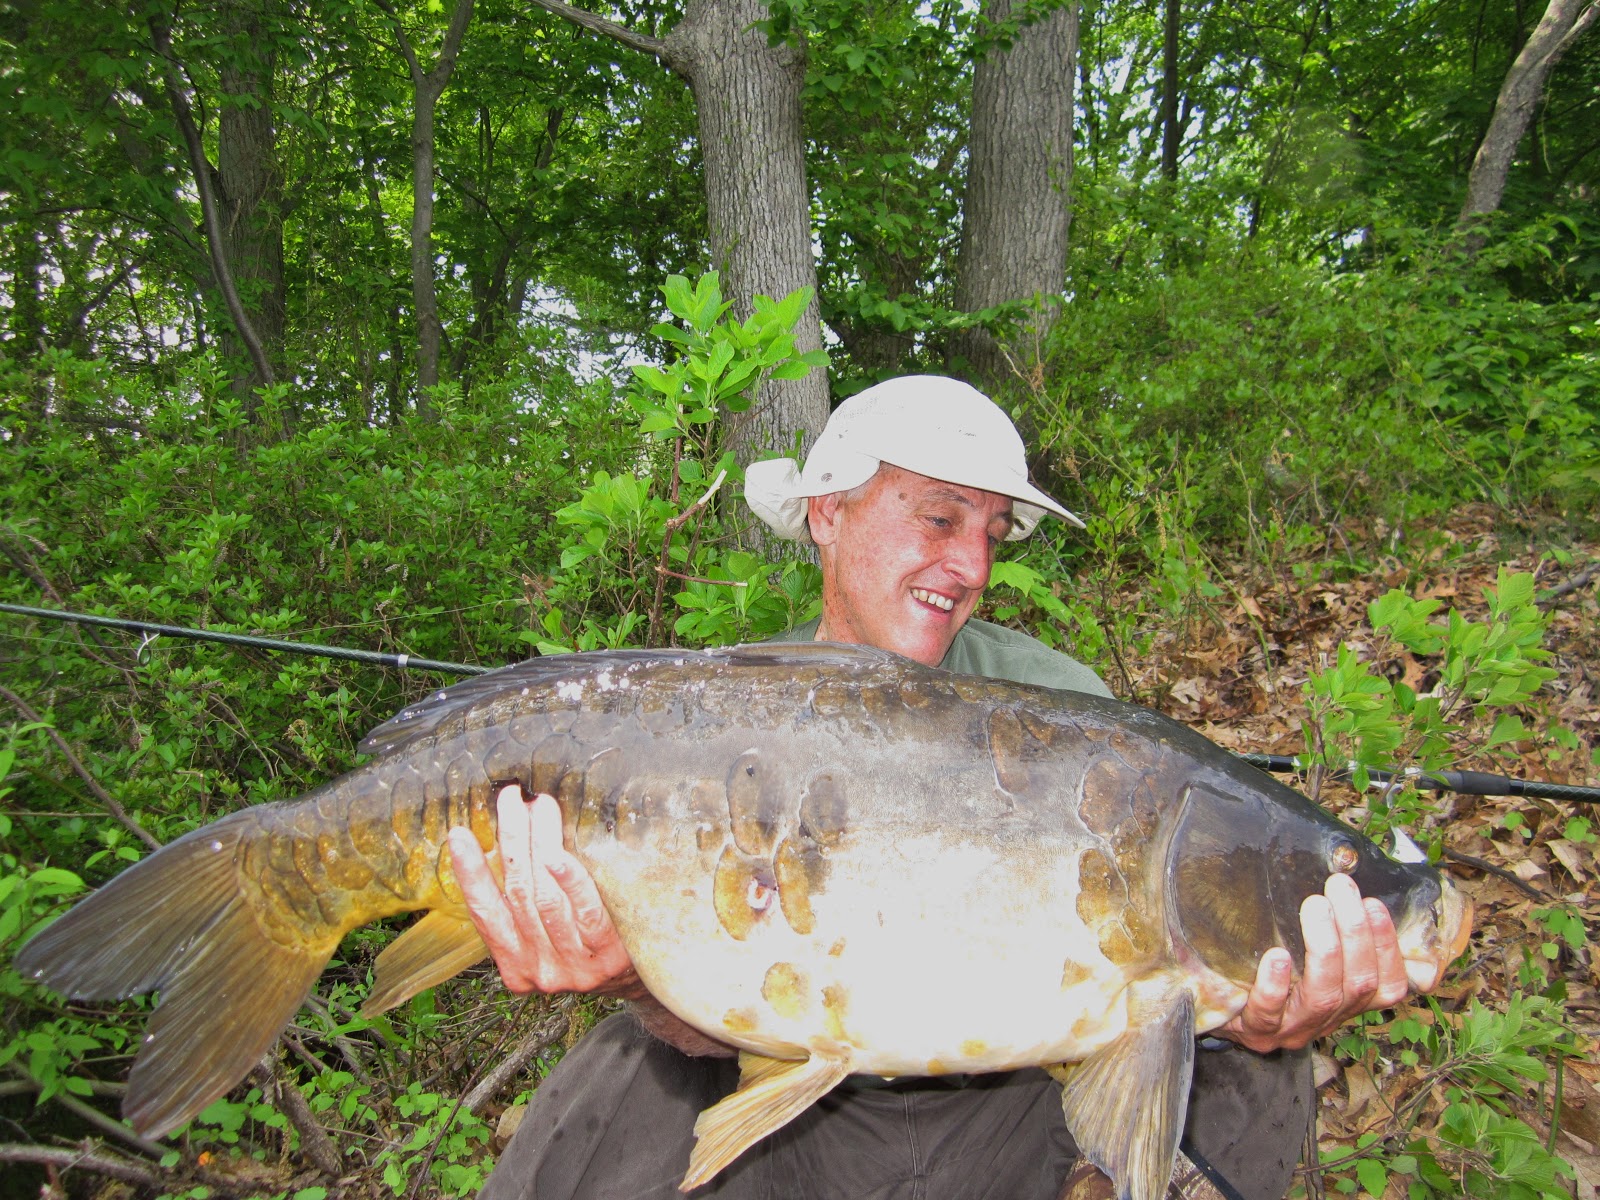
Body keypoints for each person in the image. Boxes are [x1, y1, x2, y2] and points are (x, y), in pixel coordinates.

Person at [448, 376, 1427, 1200]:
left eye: (993, 532)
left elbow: (1151, 991)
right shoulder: (716, 715)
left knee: (1259, 1063)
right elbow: (694, 1008)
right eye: (939, 518)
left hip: (1007, 1109)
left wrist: (1250, 1010)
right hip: (797, 1097)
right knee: (616, 1074)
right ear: (827, 515)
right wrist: (633, 970)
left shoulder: (1063, 710)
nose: (970, 565)